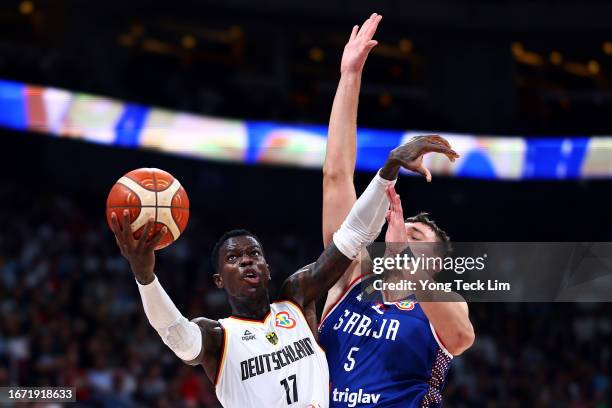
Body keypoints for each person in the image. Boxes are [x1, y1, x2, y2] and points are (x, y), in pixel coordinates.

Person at [109, 138, 423, 406]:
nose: (246, 261)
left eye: (254, 253)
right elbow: (175, 334)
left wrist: (389, 170)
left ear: (267, 269)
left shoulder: (296, 298)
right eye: (233, 258)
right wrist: (145, 276)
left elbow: (353, 237)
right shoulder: (217, 336)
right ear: (218, 280)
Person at [317, 13, 475, 407]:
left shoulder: (443, 304)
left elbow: (460, 338)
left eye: (416, 236)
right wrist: (350, 75)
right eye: (400, 226)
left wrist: (405, 263)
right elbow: (337, 175)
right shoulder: (348, 279)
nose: (401, 232)